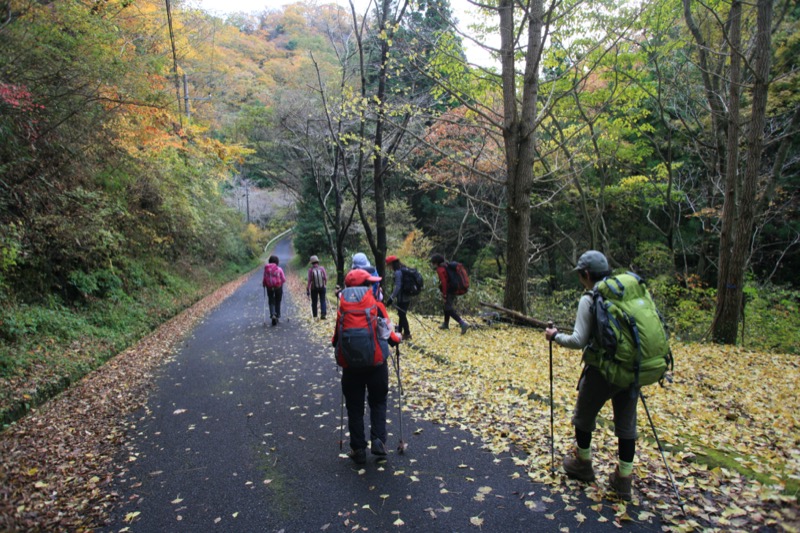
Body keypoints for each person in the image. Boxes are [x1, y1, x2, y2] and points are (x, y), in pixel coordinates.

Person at [544, 250, 636, 501]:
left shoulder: (590, 298)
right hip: (631, 369)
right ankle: (624, 480)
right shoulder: (625, 292)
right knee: (626, 425)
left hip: (602, 370)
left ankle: (583, 464)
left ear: (586, 274)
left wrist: (554, 337)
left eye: (580, 275)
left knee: (583, 418)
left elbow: (578, 340)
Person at [331, 269, 402, 465]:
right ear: (366, 287)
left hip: (351, 368)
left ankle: (358, 449)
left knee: (354, 407)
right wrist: (398, 338)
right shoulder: (377, 306)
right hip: (376, 365)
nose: (373, 285)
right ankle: (378, 442)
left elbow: (335, 339)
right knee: (378, 402)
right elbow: (391, 337)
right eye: (370, 283)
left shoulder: (343, 309)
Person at [430, 253, 469, 334]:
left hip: (449, 290)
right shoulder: (446, 265)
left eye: (433, 262)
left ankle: (462, 323)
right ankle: (446, 324)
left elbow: (444, 282)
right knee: (446, 307)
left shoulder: (440, 269)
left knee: (448, 308)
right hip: (453, 288)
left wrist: (444, 295)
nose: (432, 264)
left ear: (436, 262)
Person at [385, 255, 413, 340]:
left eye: (389, 265)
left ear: (392, 264)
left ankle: (407, 333)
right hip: (406, 296)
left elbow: (398, 286)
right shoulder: (403, 269)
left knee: (402, 314)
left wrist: (391, 298)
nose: (388, 267)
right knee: (401, 314)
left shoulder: (398, 272)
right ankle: (400, 332)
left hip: (402, 297)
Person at [262, 255, 286, 326]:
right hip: (278, 287)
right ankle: (277, 315)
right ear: (277, 262)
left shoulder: (266, 269)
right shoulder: (279, 269)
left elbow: (264, 278)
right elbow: (283, 279)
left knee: (271, 300)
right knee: (278, 300)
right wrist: (281, 283)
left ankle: (272, 314)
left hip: (269, 287)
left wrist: (264, 285)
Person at [306, 255, 328, 320]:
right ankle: (323, 314)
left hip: (314, 288)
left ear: (311, 263)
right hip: (322, 287)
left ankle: (315, 315)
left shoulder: (310, 270)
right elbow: (325, 278)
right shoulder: (322, 268)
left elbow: (309, 280)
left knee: (314, 302)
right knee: (323, 301)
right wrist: (325, 285)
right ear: (317, 262)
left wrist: (308, 289)